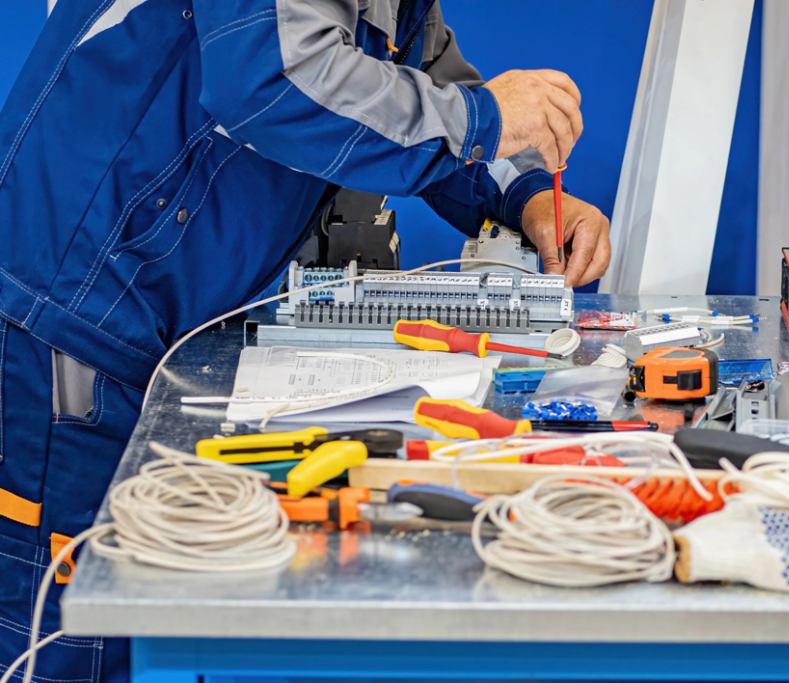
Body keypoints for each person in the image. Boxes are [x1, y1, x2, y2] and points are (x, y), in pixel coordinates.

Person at [0, 1, 611, 680]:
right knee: (71, 637)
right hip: (74, 313)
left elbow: (426, 97)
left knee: (155, 610)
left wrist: (523, 194)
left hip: (162, 327)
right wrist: (485, 119)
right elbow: (270, 79)